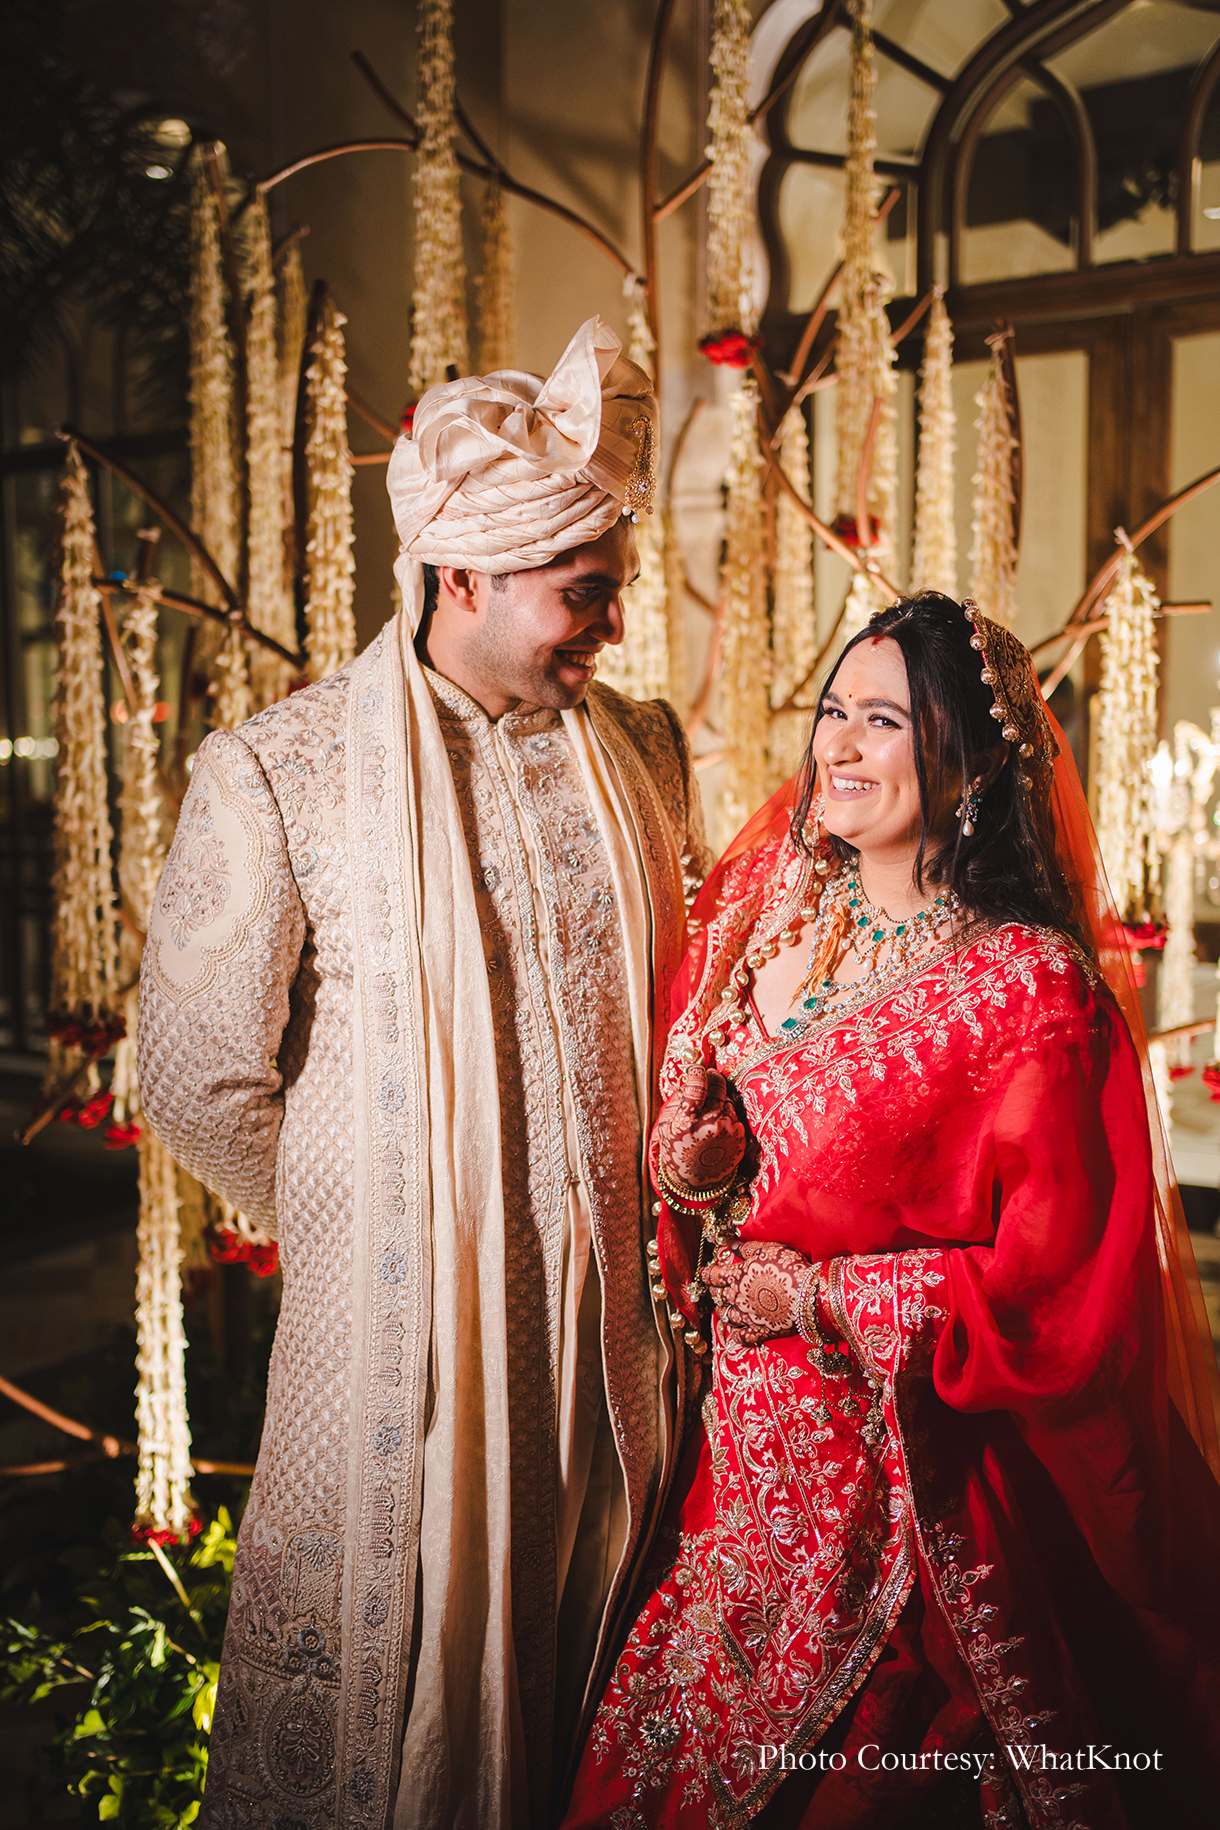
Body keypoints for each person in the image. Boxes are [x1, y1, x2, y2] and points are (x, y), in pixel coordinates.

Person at [137, 317, 711, 1830]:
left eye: (616, 588)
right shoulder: (282, 769)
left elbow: (693, 1011)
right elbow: (194, 1073)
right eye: (583, 595)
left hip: (621, 1358)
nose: (611, 624)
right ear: (462, 575)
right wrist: (387, 1223)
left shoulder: (639, 748)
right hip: (400, 1350)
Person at [563, 592, 1220, 1830]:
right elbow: (705, 1183)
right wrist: (694, 1166)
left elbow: (1054, 1292)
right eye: (830, 713)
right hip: (725, 1483)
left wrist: (815, 1297)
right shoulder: (761, 918)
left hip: (909, 1491)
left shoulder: (1029, 995)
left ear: (965, 760)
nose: (837, 748)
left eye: (882, 721)